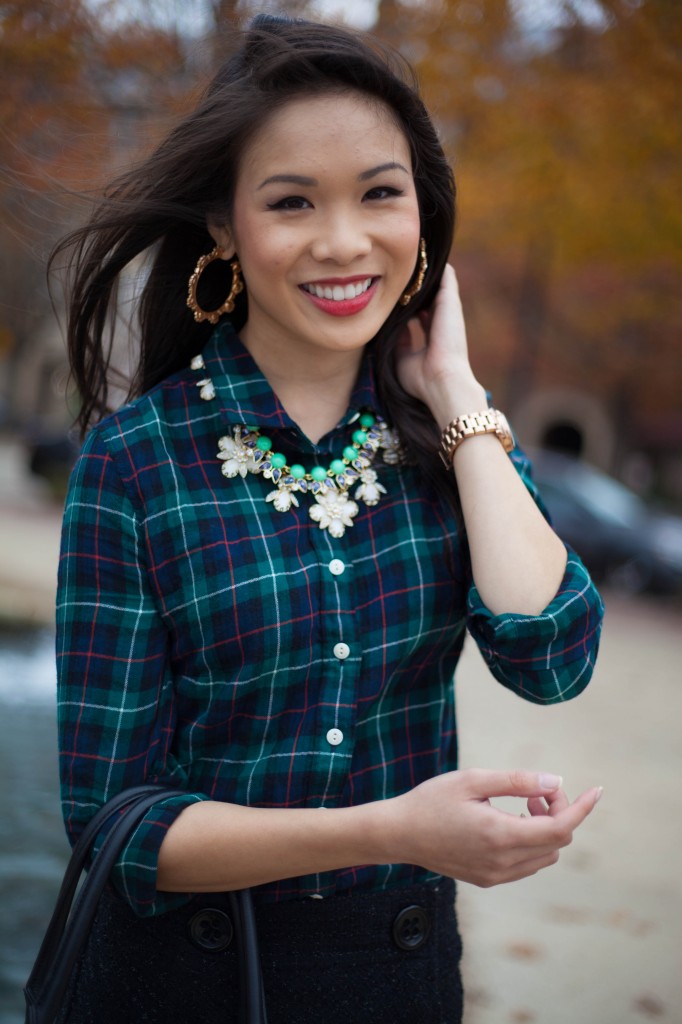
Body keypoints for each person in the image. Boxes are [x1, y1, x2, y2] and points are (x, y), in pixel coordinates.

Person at [52, 14, 604, 1024]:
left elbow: (552, 656)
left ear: (423, 217)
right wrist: (389, 829)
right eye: (292, 200)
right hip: (182, 984)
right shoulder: (135, 461)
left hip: (394, 981)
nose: (344, 241)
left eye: (380, 194)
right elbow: (114, 825)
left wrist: (454, 392)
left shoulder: (448, 438)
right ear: (225, 224)